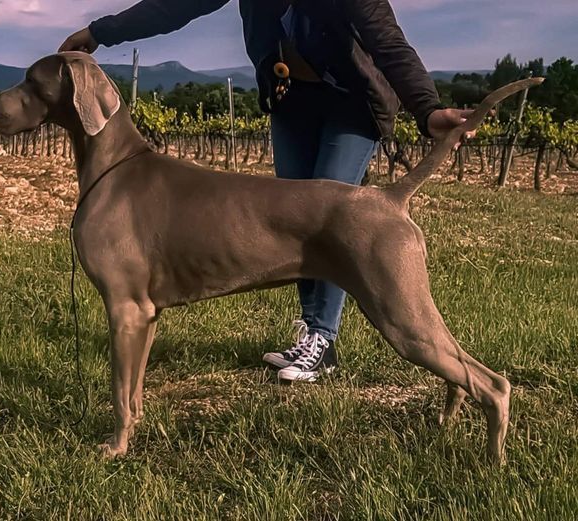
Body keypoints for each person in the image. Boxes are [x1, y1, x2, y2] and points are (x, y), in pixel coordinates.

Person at [59, 0, 473, 382]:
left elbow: (387, 40)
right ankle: (313, 330)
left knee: (333, 218)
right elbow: (175, 6)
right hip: (292, 100)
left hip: (352, 105)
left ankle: (322, 339)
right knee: (294, 221)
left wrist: (428, 109)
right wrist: (100, 32)